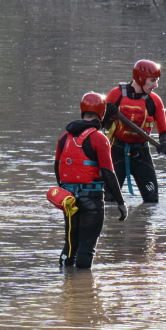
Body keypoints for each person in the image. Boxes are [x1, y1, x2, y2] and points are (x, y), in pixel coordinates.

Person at [54, 92, 128, 269]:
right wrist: (121, 203)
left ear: (82, 111)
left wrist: (64, 191)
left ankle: (64, 278)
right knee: (86, 249)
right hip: (92, 201)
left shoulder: (64, 138)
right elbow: (108, 173)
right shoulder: (99, 139)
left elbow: (57, 168)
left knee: (70, 246)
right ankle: (82, 284)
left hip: (68, 200)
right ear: (102, 113)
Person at [103, 59, 166, 203]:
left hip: (142, 153)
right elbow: (98, 125)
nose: (156, 85)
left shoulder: (155, 101)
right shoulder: (115, 95)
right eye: (152, 80)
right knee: (109, 202)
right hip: (117, 152)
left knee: (152, 201)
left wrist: (165, 143)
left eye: (156, 80)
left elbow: (164, 132)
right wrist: (106, 114)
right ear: (141, 78)